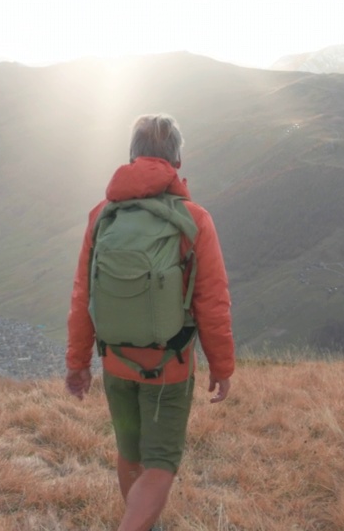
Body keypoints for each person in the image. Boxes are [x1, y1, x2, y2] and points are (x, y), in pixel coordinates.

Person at [65, 113, 235, 531]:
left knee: (130, 452)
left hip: (116, 362)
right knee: (160, 462)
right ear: (176, 160)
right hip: (169, 366)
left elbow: (83, 295)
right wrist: (222, 366)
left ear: (133, 155)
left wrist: (77, 363)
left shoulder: (102, 215)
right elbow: (212, 303)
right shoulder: (194, 220)